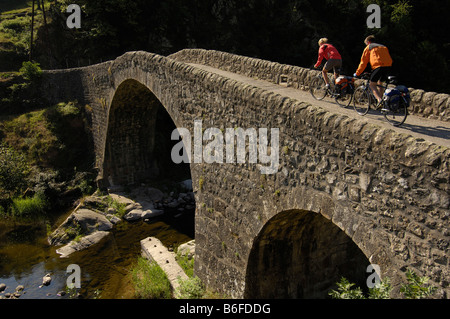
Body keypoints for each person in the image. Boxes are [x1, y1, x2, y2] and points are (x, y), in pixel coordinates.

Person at [354, 35, 393, 109]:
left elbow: (363, 62)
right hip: (388, 66)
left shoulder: (369, 47)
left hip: (378, 66)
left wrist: (357, 73)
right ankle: (382, 104)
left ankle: (379, 100)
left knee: (372, 84)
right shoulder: (383, 46)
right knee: (380, 83)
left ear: (368, 42)